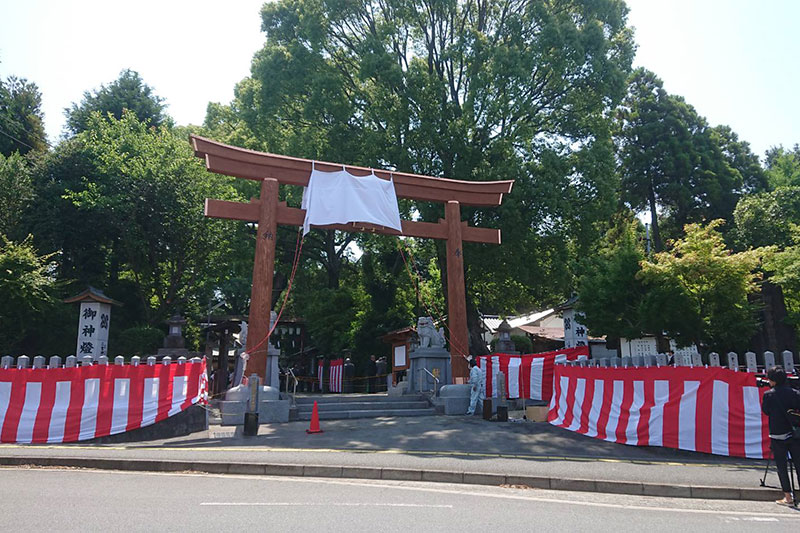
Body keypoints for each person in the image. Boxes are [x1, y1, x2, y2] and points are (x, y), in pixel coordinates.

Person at [761, 365, 800, 506]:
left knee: (782, 467)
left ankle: (788, 497)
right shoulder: (795, 393)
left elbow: (766, 411)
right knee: (799, 464)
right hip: (794, 434)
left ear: (773, 380)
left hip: (777, 434)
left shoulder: (769, 395)